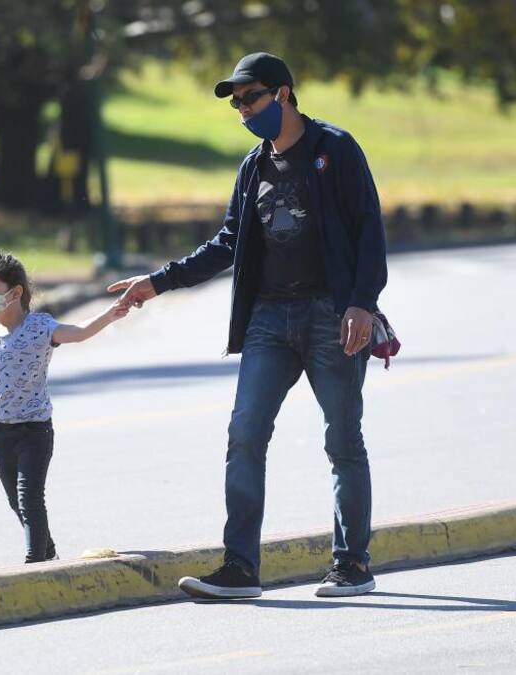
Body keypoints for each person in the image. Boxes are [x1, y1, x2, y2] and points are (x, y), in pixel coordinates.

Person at [109, 52, 388, 598]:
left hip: (330, 316)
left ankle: (352, 564)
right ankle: (241, 568)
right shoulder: (253, 166)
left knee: (342, 439)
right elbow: (228, 244)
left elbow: (368, 232)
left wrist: (361, 303)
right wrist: (158, 282)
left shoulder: (336, 150)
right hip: (267, 320)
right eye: (236, 103)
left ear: (283, 94)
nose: (242, 109)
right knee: (244, 435)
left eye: (251, 97)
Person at [0, 250, 129, 563]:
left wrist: (110, 314)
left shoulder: (40, 327)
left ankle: (36, 561)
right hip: (0, 431)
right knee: (16, 501)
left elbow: (79, 333)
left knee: (29, 497)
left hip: (35, 430)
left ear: (15, 293)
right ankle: (48, 551)